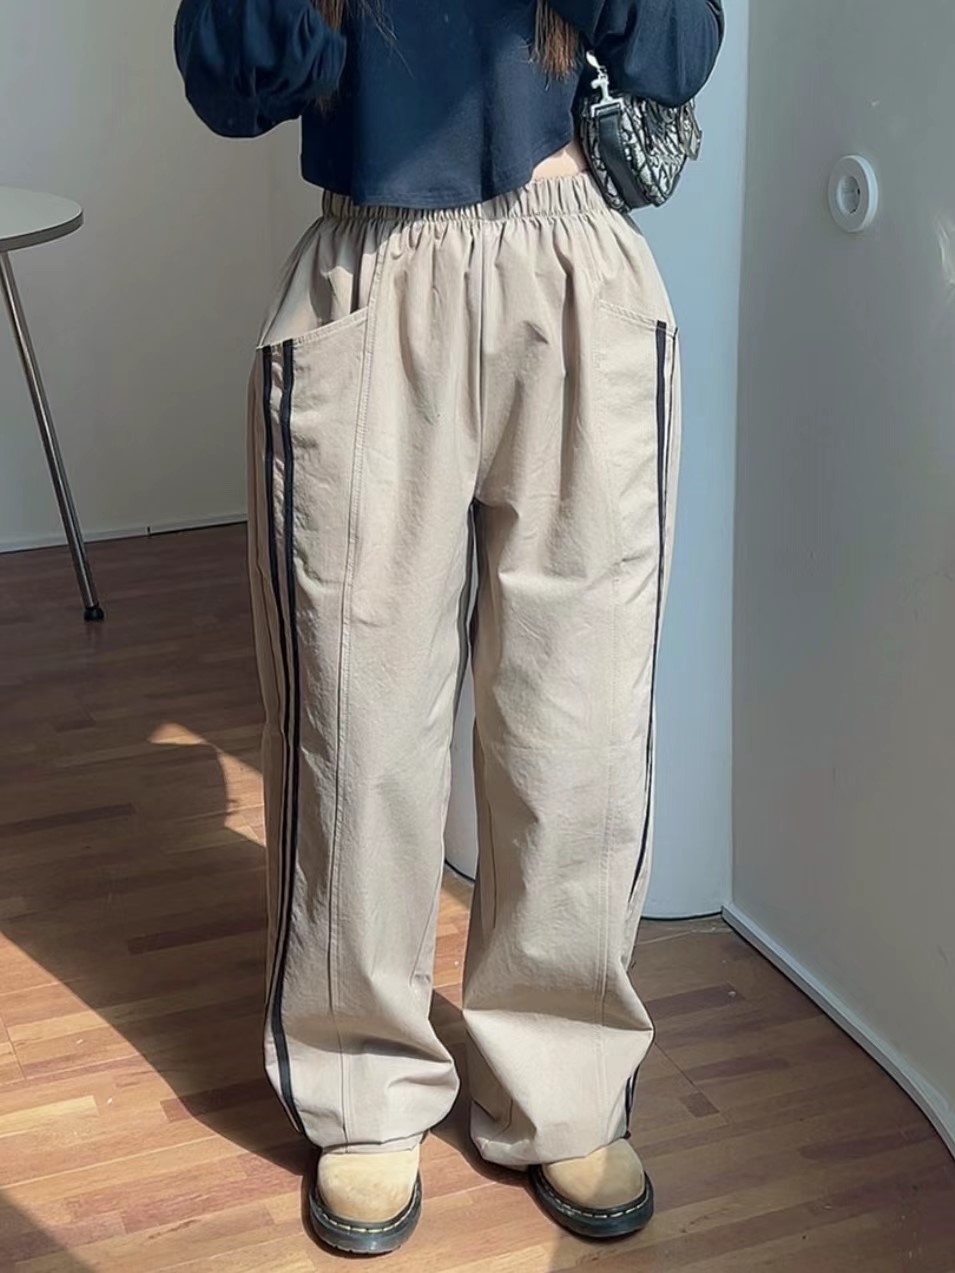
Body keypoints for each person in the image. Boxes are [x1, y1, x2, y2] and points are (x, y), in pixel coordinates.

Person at [175, 0, 723, 1255]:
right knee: (352, 721)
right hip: (373, 268)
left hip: (573, 263)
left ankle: (564, 1083)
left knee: (580, 723)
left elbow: (678, 49)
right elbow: (225, 74)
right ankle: (362, 1087)